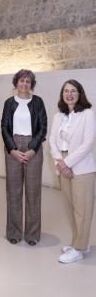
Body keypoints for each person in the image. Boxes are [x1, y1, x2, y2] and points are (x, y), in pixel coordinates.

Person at [49, 79, 96, 264]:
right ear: (62, 95)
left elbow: (87, 143)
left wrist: (67, 163)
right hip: (63, 165)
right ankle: (80, 243)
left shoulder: (87, 114)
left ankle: (79, 248)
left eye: (73, 91)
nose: (69, 94)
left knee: (82, 210)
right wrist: (60, 163)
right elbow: (52, 140)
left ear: (79, 94)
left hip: (82, 168)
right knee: (71, 208)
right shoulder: (58, 116)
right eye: (66, 91)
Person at [1, 69, 47, 246]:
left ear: (31, 84)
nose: (25, 84)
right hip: (13, 147)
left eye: (28, 81)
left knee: (33, 192)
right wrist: (12, 149)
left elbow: (43, 127)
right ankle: (14, 232)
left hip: (33, 147)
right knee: (13, 191)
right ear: (16, 83)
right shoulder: (9, 103)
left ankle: (32, 234)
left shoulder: (38, 102)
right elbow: (4, 127)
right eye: (22, 81)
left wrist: (32, 149)